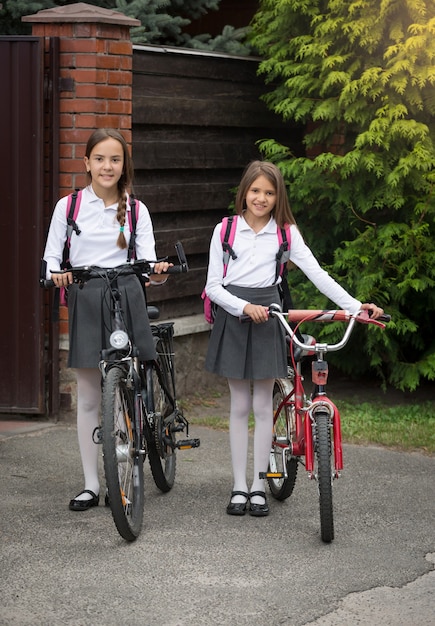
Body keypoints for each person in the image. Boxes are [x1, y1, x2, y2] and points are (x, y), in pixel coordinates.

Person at [204, 160, 384, 517]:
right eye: (255, 191)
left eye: (269, 193)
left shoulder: (285, 233)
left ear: (277, 196)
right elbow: (212, 286)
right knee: (239, 405)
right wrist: (242, 307)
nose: (261, 198)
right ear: (244, 192)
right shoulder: (225, 230)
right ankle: (238, 486)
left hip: (270, 317)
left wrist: (353, 306)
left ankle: (259, 485)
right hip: (235, 317)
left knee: (261, 406)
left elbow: (316, 272)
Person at [43, 128, 170, 511]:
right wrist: (57, 273)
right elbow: (50, 260)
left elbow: (147, 261)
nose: (107, 166)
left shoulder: (135, 209)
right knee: (88, 396)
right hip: (86, 293)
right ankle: (91, 483)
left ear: (123, 164)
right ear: (86, 163)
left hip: (127, 292)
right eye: (99, 158)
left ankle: (131, 450)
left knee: (126, 378)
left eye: (115, 159)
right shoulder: (68, 208)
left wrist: (158, 270)